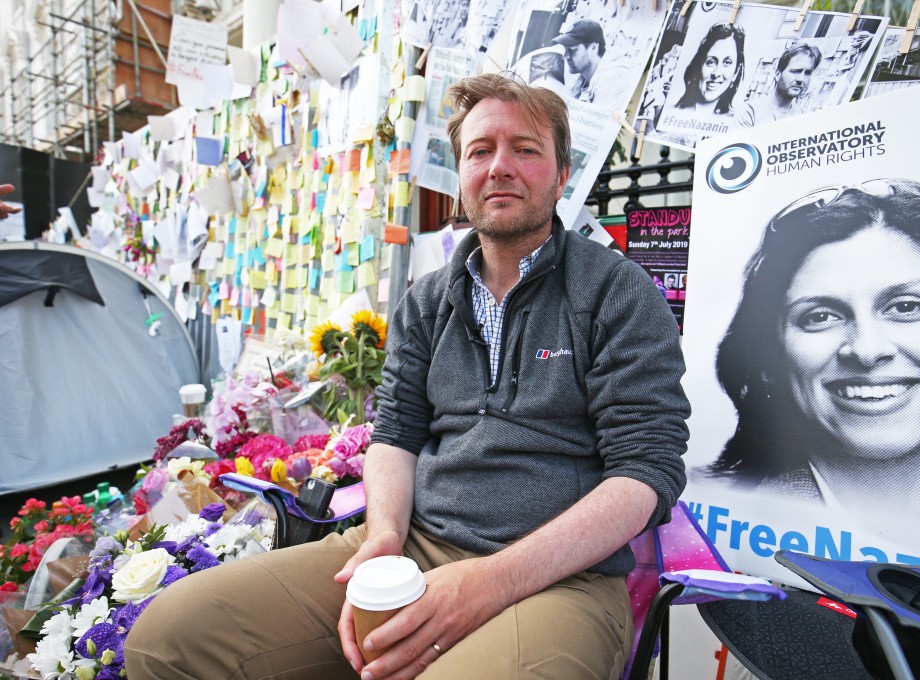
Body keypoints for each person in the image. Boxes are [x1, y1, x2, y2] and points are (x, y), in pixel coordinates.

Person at [125, 73, 690, 679]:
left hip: (561, 579)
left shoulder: (617, 292)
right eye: (480, 151)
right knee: (168, 639)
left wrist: (485, 583)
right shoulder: (426, 302)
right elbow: (394, 433)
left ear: (561, 175)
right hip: (415, 548)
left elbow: (645, 473)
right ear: (460, 177)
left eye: (525, 149)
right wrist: (384, 539)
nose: (500, 167)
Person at [705, 178, 920, 527]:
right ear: (768, 355)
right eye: (820, 316)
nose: (866, 350)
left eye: (906, 306)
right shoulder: (704, 524)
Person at [551, 19, 635, 110]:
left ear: (593, 47)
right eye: (565, 50)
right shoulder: (582, 77)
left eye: (572, 50)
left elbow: (598, 122)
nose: (565, 56)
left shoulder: (614, 77)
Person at [669, 23, 746, 117]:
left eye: (727, 63)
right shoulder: (671, 113)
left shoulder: (737, 123)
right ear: (699, 66)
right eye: (711, 62)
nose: (716, 73)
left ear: (736, 72)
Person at [738, 43, 822, 128]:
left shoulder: (803, 117)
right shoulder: (750, 111)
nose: (801, 79)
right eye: (795, 71)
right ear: (778, 74)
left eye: (808, 73)